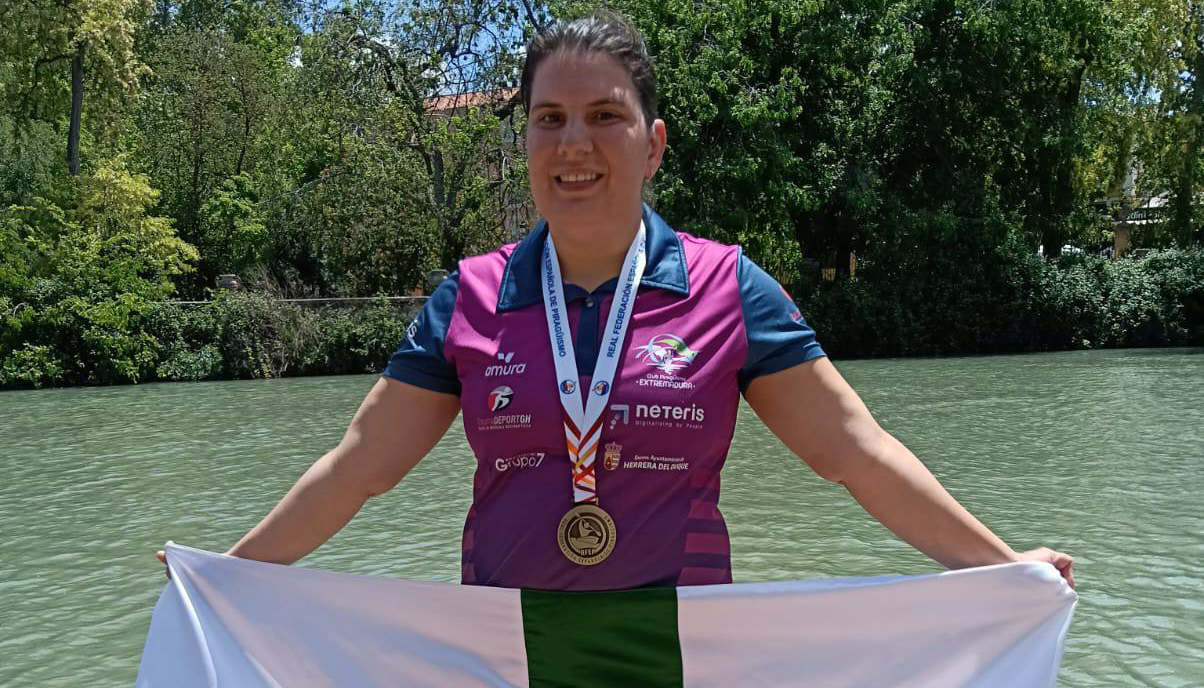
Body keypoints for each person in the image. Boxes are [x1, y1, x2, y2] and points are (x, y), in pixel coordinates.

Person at [159, 11, 1073, 591]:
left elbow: (857, 455)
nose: (574, 143)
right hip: (505, 662)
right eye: (549, 118)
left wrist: (1003, 571)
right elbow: (360, 467)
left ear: (653, 143)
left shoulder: (728, 289)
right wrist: (224, 579)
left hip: (683, 657)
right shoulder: (470, 298)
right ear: (524, 141)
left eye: (605, 116)